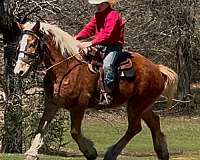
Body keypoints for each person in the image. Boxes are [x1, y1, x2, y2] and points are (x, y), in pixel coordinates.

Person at [75, 0, 125, 105]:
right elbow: (89, 29)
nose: (98, 6)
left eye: (101, 3)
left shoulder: (113, 15)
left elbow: (107, 34)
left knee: (107, 66)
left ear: (107, 3)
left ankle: (109, 94)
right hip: (100, 46)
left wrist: (91, 43)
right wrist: (76, 38)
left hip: (113, 47)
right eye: (97, 4)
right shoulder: (98, 15)